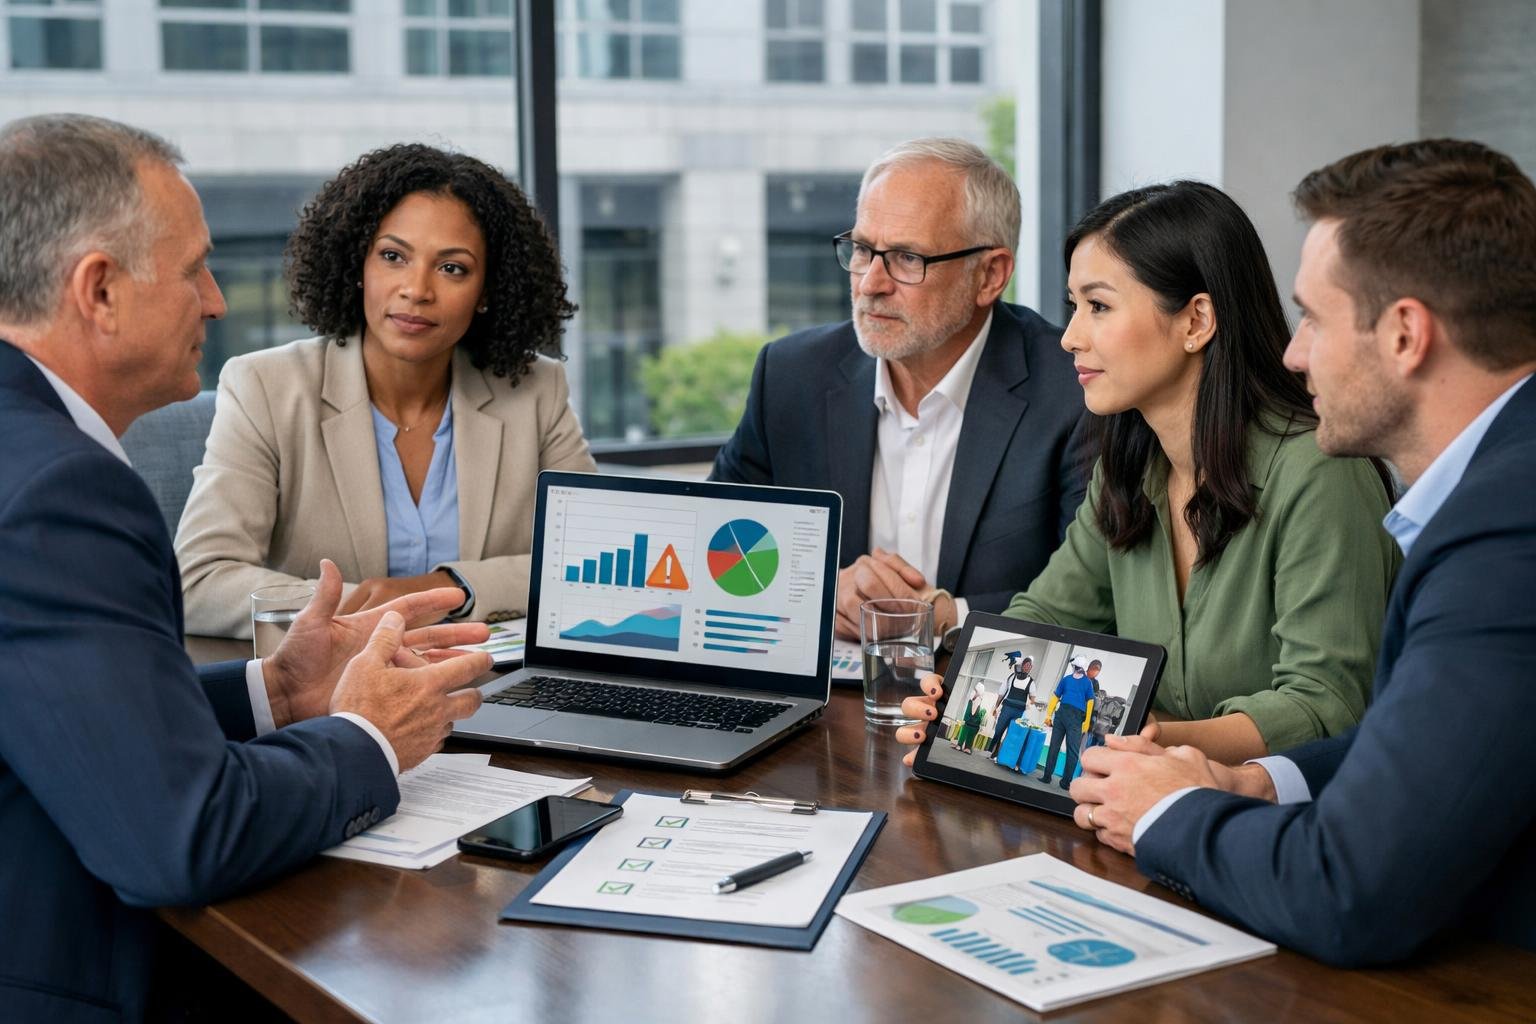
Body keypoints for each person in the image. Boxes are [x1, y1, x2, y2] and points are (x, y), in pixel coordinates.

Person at [0, 114, 494, 1020]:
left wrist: (280, 692)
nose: (217, 299)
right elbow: (184, 835)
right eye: (193, 269)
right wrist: (368, 737)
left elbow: (69, 711)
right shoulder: (60, 490)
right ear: (98, 290)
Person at [1064, 139, 1536, 966]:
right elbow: (1427, 743)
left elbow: (1350, 893)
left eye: (1314, 317)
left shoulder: (1506, 535)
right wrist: (1257, 781)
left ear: (1405, 335)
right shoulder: (1497, 492)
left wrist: (1166, 810)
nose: (1291, 351)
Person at [899, 179, 1400, 764]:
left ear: (1196, 321)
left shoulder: (1319, 474)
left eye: (1100, 306)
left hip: (1286, 823)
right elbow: (1047, 617)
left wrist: (1143, 741)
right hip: (1145, 807)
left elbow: (1325, 706)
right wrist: (964, 694)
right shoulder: (1127, 469)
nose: (1069, 337)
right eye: (1074, 307)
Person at [176, 143, 596, 638]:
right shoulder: (267, 387)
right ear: (359, 265)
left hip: (490, 687)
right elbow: (198, 579)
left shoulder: (536, 390)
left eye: (452, 267)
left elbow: (590, 563)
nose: (416, 289)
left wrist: (451, 587)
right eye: (393, 256)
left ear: (488, 291)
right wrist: (369, 614)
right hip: (331, 695)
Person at [710, 138, 1087, 641]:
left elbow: (1094, 602)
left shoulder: (1073, 391)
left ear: (990, 275)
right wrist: (820, 589)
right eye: (863, 250)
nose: (870, 283)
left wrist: (941, 617)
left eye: (907, 258)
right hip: (827, 701)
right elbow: (713, 543)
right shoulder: (791, 376)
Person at [1040, 657, 1096, 787]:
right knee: (1057, 747)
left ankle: (1065, 782)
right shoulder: (1067, 680)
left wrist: (1087, 721)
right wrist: (1048, 715)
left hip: (1074, 717)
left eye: (1077, 667)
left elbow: (1090, 702)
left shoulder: (1087, 683)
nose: (1076, 669)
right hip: (1064, 715)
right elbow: (1056, 696)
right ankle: (1048, 777)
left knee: (1071, 750)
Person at [986, 653, 1034, 763]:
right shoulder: (1010, 678)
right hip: (1006, 708)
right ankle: (992, 751)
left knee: (1010, 733)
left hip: (1019, 710)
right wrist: (996, 707)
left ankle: (999, 755)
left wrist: (1028, 706)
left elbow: (1030, 698)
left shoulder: (1028, 681)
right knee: (999, 730)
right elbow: (1001, 693)